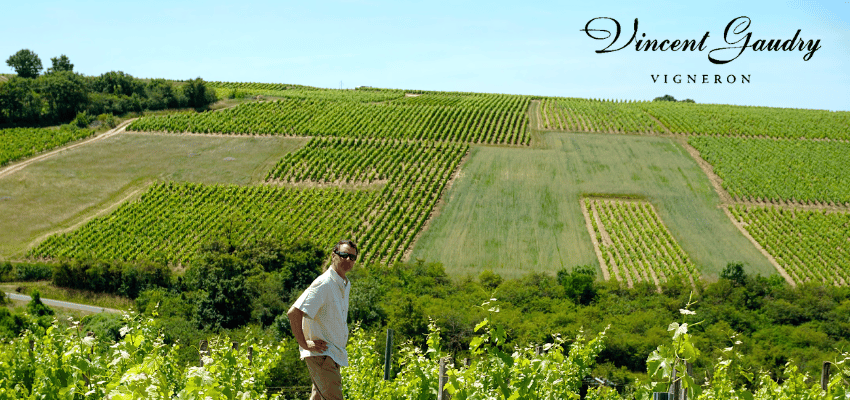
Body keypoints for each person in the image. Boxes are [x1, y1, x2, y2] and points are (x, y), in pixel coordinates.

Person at [287, 239, 358, 400]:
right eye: (344, 255)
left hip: (332, 355)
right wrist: (304, 344)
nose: (348, 260)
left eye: (352, 257)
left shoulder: (344, 284)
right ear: (334, 255)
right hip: (322, 355)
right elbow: (294, 313)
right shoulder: (324, 283)